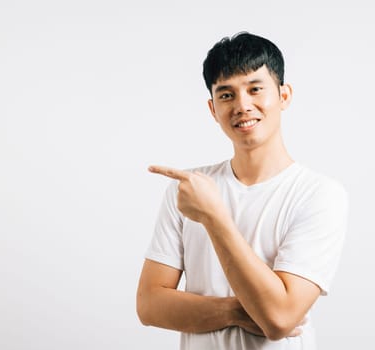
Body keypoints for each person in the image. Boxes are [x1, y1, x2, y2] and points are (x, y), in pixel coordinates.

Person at [136, 32, 348, 350]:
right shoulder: (189, 189)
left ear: (284, 95)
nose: (242, 105)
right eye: (226, 95)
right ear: (212, 109)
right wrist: (237, 310)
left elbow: (278, 319)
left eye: (255, 89)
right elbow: (149, 305)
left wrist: (214, 217)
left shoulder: (319, 194)